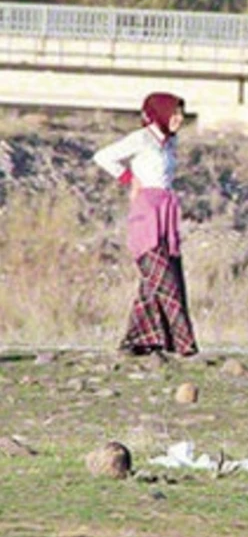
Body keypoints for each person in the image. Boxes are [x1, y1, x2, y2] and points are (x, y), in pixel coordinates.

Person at [92, 92, 197, 358]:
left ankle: (140, 340)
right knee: (164, 280)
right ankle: (185, 344)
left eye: (181, 114)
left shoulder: (170, 143)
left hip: (166, 212)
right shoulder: (141, 139)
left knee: (155, 281)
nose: (179, 119)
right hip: (146, 213)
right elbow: (104, 157)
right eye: (174, 114)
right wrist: (129, 179)